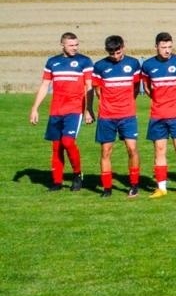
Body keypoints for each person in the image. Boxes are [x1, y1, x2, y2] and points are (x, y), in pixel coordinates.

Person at [30, 31, 93, 191]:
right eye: (71, 45)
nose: (74, 48)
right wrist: (35, 108)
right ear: (62, 45)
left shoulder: (84, 61)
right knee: (56, 146)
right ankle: (57, 182)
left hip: (74, 109)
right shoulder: (52, 62)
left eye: (76, 45)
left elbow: (89, 87)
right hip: (56, 110)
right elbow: (45, 85)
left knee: (68, 142)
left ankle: (78, 174)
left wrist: (88, 109)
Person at [141, 31, 176, 197]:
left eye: (170, 47)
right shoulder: (148, 65)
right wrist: (160, 101)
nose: (167, 50)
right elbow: (148, 88)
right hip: (158, 114)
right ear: (156, 46)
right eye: (163, 47)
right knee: (159, 149)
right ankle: (161, 188)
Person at [89, 34, 143, 197]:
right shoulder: (99, 66)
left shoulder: (133, 64)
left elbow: (135, 87)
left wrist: (127, 104)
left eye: (118, 52)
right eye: (111, 53)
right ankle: (107, 188)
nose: (115, 56)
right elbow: (98, 90)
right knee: (106, 151)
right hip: (107, 116)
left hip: (127, 115)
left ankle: (134, 185)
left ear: (123, 47)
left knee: (132, 149)